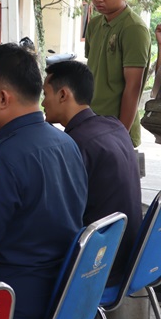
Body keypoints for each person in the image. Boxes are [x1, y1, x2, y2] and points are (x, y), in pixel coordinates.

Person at [0, 43, 87, 319]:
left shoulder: (2, 158)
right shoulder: (66, 142)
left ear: (3, 98)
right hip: (59, 288)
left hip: (8, 299)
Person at [41, 60, 141, 288]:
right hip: (131, 259)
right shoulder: (114, 126)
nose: (43, 102)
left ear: (64, 94)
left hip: (98, 268)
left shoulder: (76, 145)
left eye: (45, 94)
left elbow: (55, 215)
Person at [86, 0, 151, 147]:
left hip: (115, 129)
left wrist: (120, 133)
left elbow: (133, 87)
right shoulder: (94, 25)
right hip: (90, 122)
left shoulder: (134, 28)